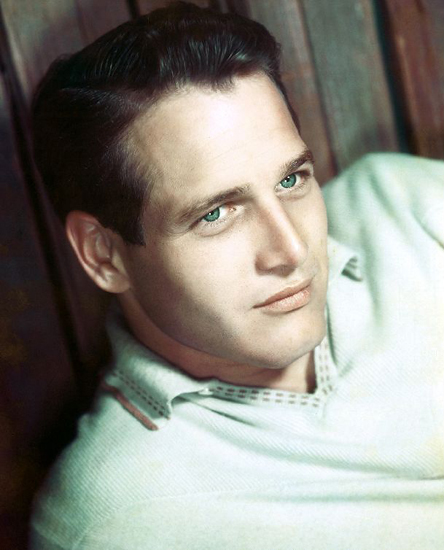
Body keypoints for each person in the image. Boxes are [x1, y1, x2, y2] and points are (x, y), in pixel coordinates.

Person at [30, 2, 444, 549]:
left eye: (291, 180)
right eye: (216, 214)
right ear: (104, 254)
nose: (292, 250)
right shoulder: (116, 521)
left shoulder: (402, 204)